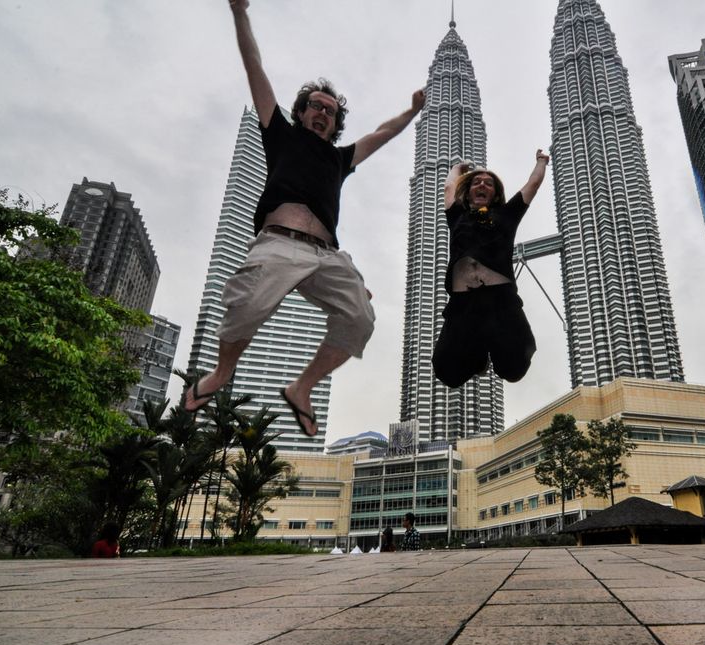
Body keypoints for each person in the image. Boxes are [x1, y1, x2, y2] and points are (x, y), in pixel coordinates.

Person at [184, 0, 426, 437]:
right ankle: (221, 373)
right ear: (301, 111)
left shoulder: (340, 159)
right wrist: (240, 12)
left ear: (335, 124)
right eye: (314, 106)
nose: (321, 112)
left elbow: (381, 135)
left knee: (360, 318)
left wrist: (411, 112)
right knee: (249, 304)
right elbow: (253, 65)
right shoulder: (279, 133)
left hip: (328, 255)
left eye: (329, 111)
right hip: (279, 243)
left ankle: (302, 387)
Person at [432, 151, 550, 388]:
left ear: (495, 194)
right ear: (469, 191)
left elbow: (533, 185)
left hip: (501, 301)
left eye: (488, 183)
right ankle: (478, 359)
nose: (482, 184)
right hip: (463, 303)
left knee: (514, 368)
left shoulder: (507, 214)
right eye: (477, 182)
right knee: (446, 371)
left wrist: (541, 162)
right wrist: (457, 167)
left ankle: (491, 351)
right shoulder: (457, 216)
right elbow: (447, 189)